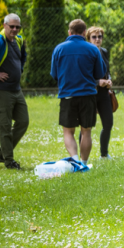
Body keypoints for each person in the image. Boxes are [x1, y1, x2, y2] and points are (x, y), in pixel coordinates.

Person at [50, 19, 106, 166]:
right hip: (88, 95)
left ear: (69, 32)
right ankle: (84, 163)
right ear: (84, 33)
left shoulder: (59, 49)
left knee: (68, 132)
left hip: (67, 95)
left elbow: (54, 74)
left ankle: (74, 160)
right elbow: (99, 73)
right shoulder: (93, 49)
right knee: (86, 131)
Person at [0, 13, 28, 169]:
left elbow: (22, 57)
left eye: (17, 26)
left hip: (16, 90)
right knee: (4, 126)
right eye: (12, 26)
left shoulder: (18, 40)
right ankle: (9, 160)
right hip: (2, 91)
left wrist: (20, 69)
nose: (15, 29)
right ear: (4, 25)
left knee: (23, 121)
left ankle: (1, 152)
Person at [84, 26, 114, 159]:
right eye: (94, 37)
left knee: (108, 123)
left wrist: (109, 81)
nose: (97, 39)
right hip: (90, 92)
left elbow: (107, 70)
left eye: (100, 36)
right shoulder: (85, 52)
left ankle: (104, 154)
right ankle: (83, 157)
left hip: (104, 93)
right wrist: (97, 82)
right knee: (87, 125)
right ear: (88, 39)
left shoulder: (104, 51)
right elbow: (84, 74)